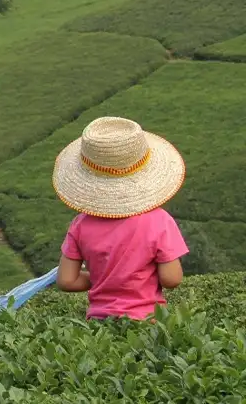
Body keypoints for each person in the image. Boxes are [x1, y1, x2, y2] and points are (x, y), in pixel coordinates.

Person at [52, 116, 188, 320]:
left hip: (99, 324)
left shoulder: (80, 224)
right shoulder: (160, 220)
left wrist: (104, 279)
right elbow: (172, 279)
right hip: (148, 323)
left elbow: (66, 280)